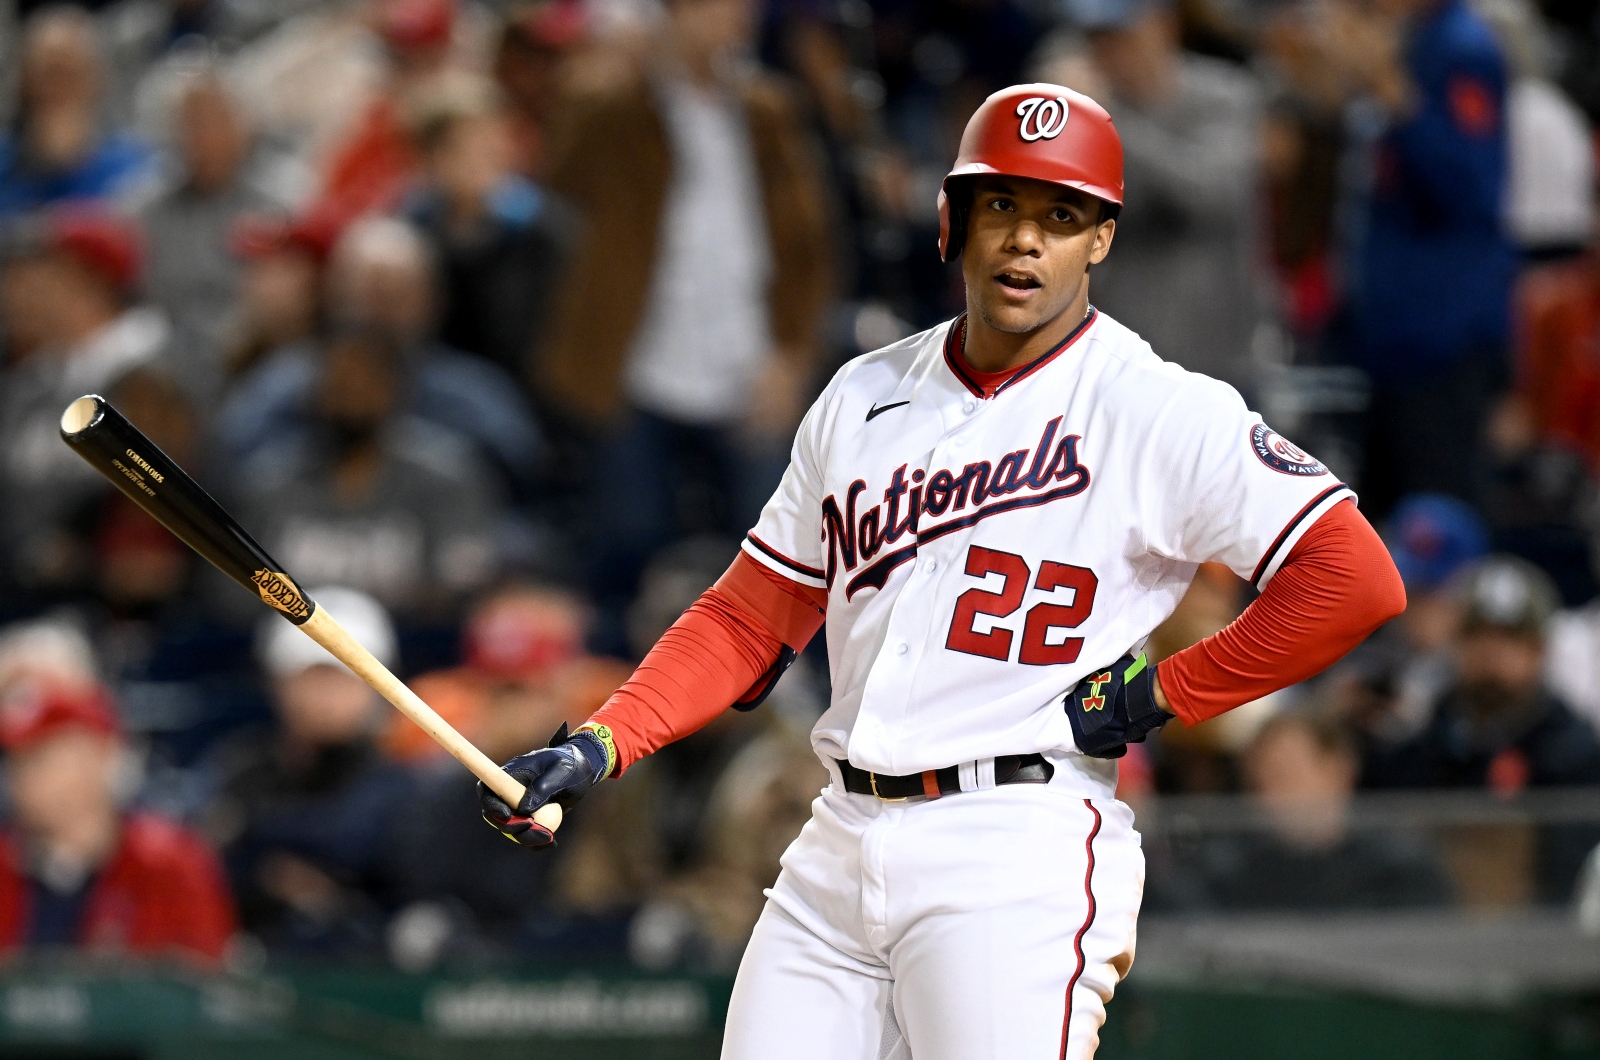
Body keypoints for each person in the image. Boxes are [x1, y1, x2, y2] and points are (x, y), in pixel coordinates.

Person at [479, 84, 1406, 1058]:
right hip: (836, 839)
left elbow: (1352, 579)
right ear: (951, 218)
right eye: (1001, 205)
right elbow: (752, 614)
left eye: (1061, 215)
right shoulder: (863, 392)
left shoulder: (1158, 408)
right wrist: (603, 740)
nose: (1025, 241)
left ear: (1100, 240)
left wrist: (1167, 689)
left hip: (1016, 843)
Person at [536, 0, 832, 652]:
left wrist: (790, 354)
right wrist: (605, 74)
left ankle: (763, 700)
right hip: (636, 363)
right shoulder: (619, 105)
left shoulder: (765, 109)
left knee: (771, 550)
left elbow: (811, 244)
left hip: (748, 361)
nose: (737, 18)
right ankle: (615, 709)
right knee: (627, 542)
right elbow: (558, 173)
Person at [1319, 0, 1517, 517]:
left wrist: (1395, 95)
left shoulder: (1461, 49)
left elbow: (1472, 188)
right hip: (1386, 337)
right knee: (1378, 525)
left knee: (1437, 524)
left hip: (1440, 338)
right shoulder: (1411, 39)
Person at [1052, 0, 1269, 392]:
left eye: (1120, 35)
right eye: (1096, 40)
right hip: (1116, 369)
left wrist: (1106, 121)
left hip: (1213, 372)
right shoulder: (1087, 113)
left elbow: (1209, 194)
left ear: (1163, 25)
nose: (1108, 51)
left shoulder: (1224, 96)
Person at [1364, 556, 1600, 898]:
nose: (1492, 654)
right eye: (1478, 636)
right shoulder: (1418, 750)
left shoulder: (1577, 757)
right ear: (1455, 645)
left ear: (1540, 651)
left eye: (1511, 639)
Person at [202, 587, 412, 953]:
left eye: (346, 676)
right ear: (277, 683)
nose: (327, 696)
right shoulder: (241, 771)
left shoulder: (406, 787)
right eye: (312, 676)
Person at [0, 680, 235, 962]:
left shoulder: (169, 862)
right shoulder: (7, 863)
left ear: (100, 756)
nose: (23, 779)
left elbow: (208, 982)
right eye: (16, 762)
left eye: (41, 759)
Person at [136, 70, 294, 400]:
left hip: (263, 359)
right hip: (164, 365)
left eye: (218, 119)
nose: (205, 135)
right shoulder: (140, 212)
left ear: (247, 123)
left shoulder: (287, 200)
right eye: (192, 121)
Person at [1193, 712, 1453, 910]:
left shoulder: (1399, 869)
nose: (1268, 797)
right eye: (1258, 783)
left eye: (1283, 775)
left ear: (1338, 770)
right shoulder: (1226, 874)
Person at [0, 7, 159, 216]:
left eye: (71, 75)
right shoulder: (4, 161)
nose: (58, 89)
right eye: (49, 74)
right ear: (24, 83)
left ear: (98, 82)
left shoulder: (135, 168)